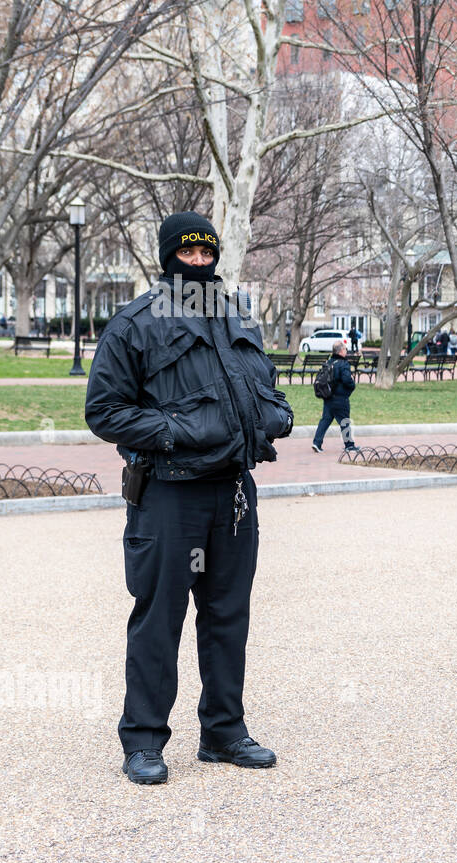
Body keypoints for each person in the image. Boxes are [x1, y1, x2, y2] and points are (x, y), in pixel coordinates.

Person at [84, 211, 294, 785]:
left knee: (228, 616)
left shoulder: (235, 316)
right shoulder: (136, 323)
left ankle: (224, 731)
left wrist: (275, 415)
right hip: (168, 495)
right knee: (159, 619)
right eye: (188, 254)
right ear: (167, 256)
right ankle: (144, 741)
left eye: (206, 255)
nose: (198, 264)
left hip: (232, 494)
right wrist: (175, 433)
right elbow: (104, 412)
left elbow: (262, 385)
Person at [312, 340, 358, 453]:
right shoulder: (343, 364)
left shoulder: (329, 362)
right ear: (341, 351)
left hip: (328, 397)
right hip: (340, 398)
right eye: (345, 349)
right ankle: (349, 445)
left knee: (325, 420)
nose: (346, 351)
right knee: (344, 421)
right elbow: (347, 380)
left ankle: (316, 443)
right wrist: (352, 386)